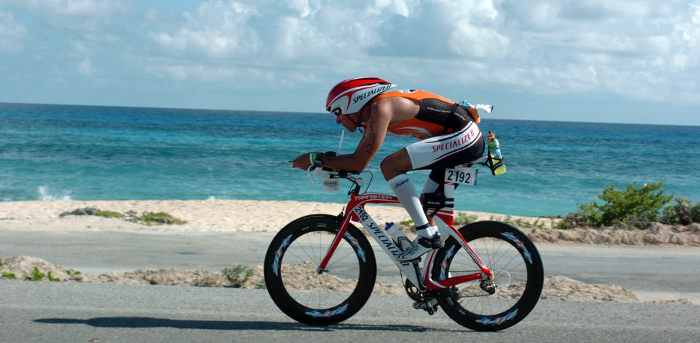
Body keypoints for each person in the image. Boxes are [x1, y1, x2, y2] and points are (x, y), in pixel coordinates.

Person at [292, 77, 485, 261]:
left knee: (390, 166)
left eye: (337, 112)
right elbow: (355, 161)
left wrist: (315, 158)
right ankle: (439, 282)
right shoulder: (372, 116)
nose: (337, 120)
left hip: (464, 136)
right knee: (425, 212)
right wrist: (327, 163)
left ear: (351, 103)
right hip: (460, 138)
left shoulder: (382, 108)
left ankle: (426, 235)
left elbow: (359, 163)